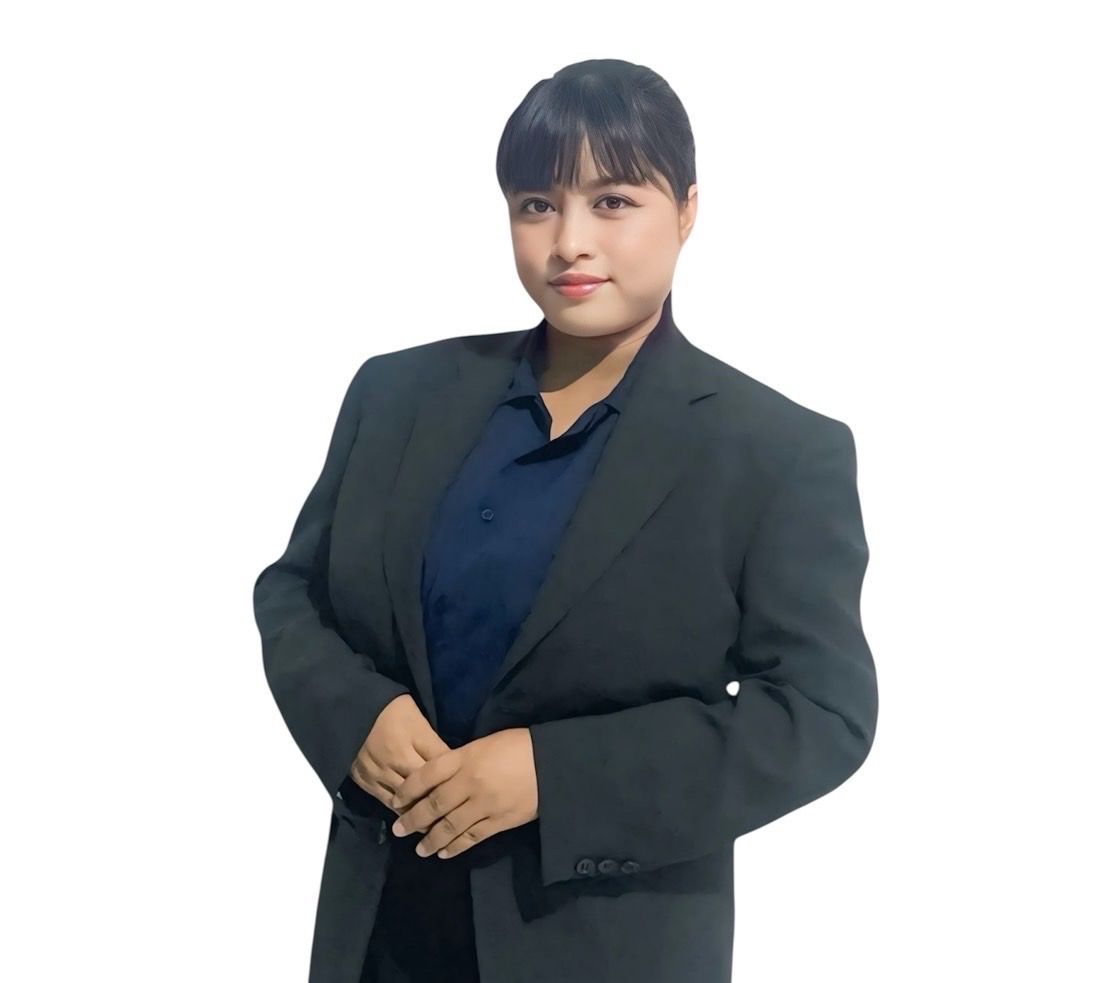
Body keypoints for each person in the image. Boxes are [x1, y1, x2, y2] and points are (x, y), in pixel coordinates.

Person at [253, 57, 878, 983]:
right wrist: (354, 715)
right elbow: (294, 592)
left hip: (606, 946)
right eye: (538, 205)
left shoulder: (776, 453)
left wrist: (555, 776)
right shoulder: (397, 395)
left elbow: (820, 713)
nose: (569, 242)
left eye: (613, 201)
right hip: (380, 932)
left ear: (688, 210)